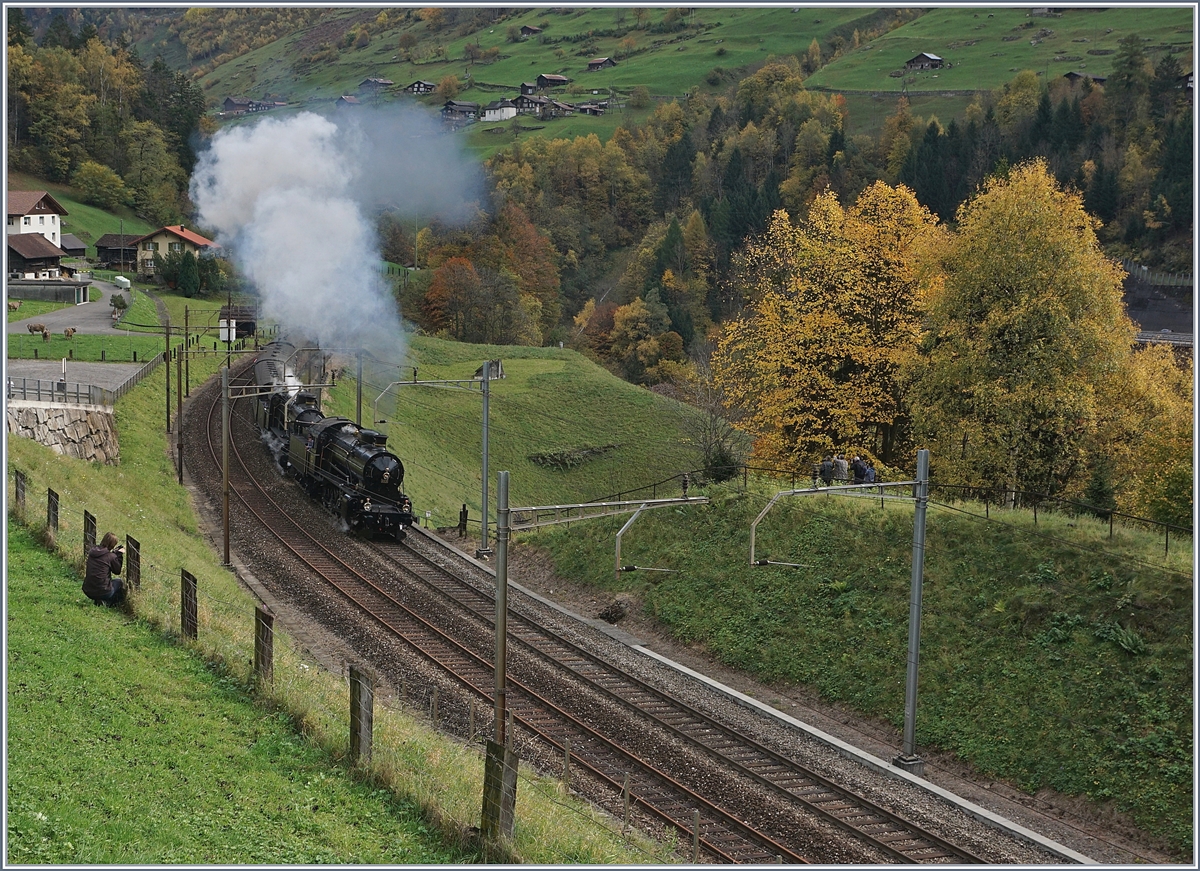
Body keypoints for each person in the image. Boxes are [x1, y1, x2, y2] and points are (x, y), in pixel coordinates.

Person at [83, 532, 126, 607]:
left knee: (105, 583)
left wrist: (113, 554)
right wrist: (119, 555)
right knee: (119, 582)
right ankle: (110, 603)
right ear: (113, 545)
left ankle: (100, 600)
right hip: (103, 591)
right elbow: (117, 571)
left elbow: (104, 556)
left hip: (88, 589)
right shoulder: (111, 557)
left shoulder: (92, 551)